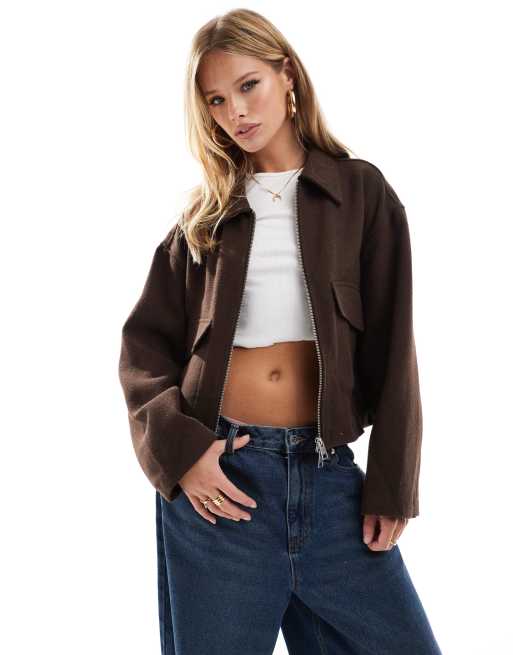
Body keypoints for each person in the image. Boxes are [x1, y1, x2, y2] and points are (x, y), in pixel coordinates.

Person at [118, 8, 444, 655]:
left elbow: (394, 346)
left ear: (286, 75)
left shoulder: (360, 193)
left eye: (248, 85)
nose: (235, 111)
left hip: (330, 483)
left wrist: (391, 484)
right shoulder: (205, 217)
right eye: (215, 100)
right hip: (224, 484)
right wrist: (184, 455)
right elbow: (143, 349)